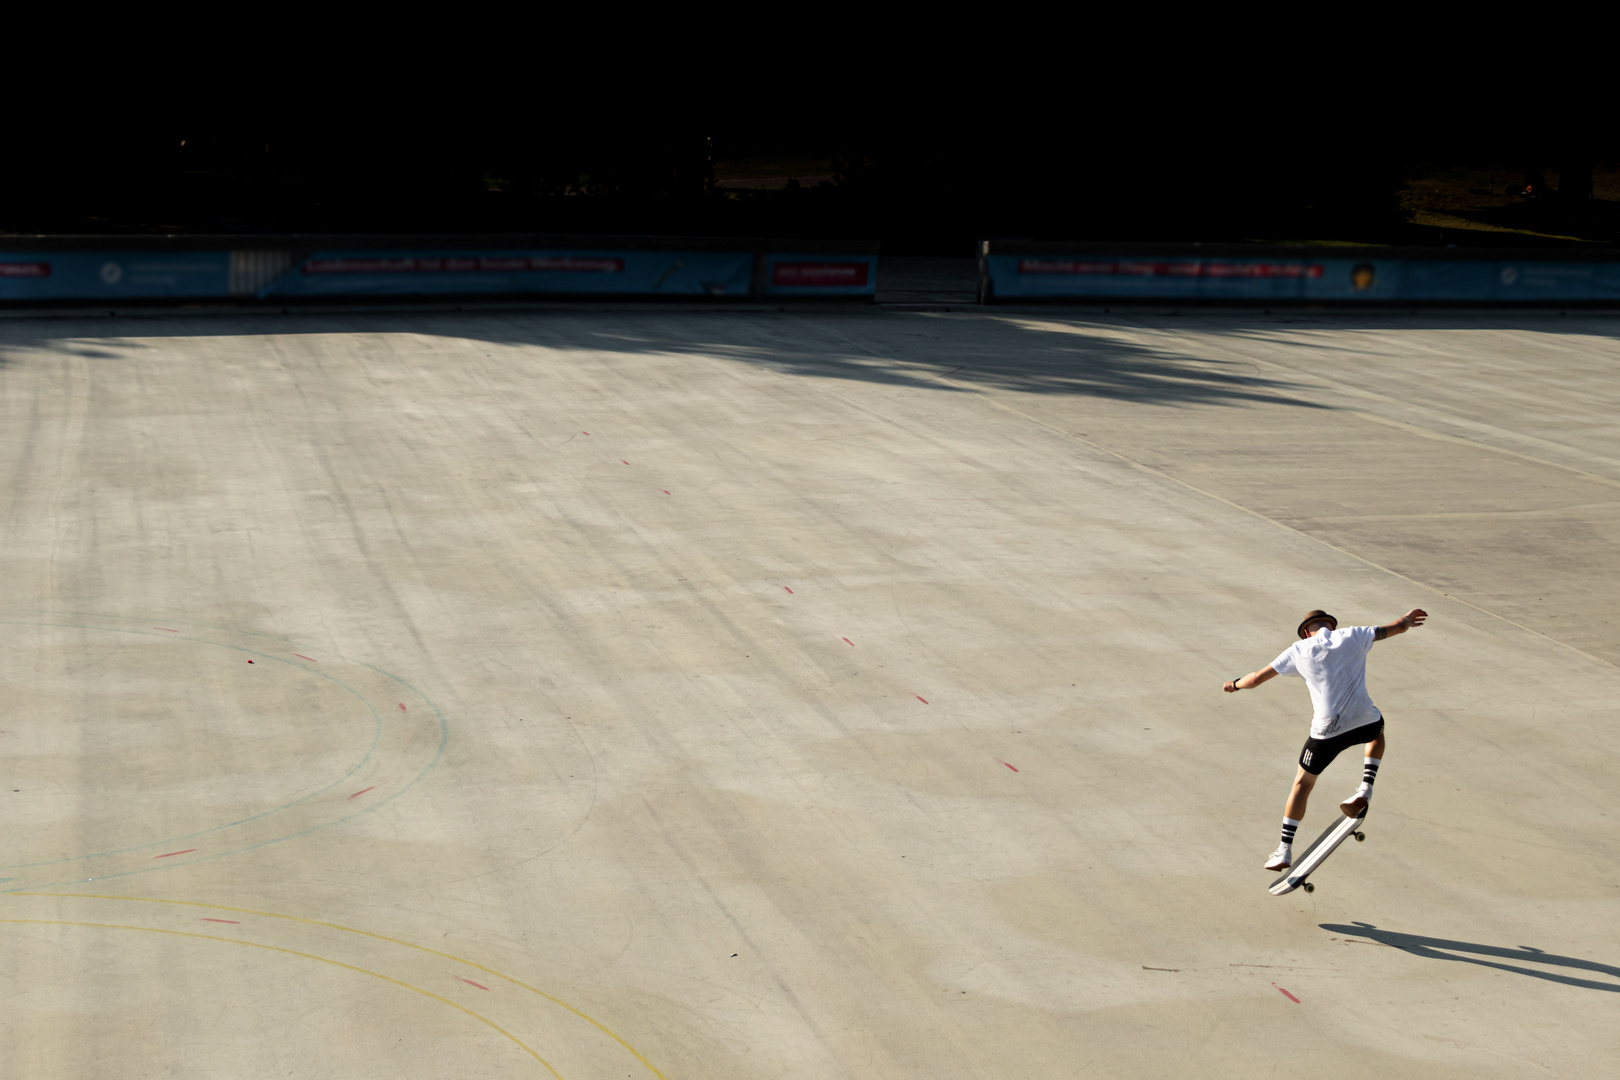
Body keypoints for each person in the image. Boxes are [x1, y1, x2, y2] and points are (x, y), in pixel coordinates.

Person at [1223, 607, 1427, 871]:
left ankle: (1284, 850)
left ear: (1307, 632)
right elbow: (1397, 627)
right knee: (1377, 733)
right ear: (1330, 626)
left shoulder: (1298, 650)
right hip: (1364, 720)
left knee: (1302, 784)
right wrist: (1408, 620)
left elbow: (1254, 680)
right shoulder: (1355, 635)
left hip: (1326, 733)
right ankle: (1365, 788)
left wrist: (1234, 684)